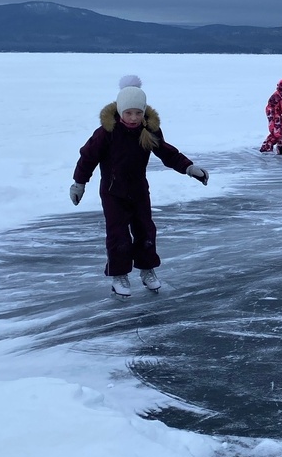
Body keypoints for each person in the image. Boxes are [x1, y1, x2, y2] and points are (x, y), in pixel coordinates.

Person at [70, 75, 210, 297]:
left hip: (138, 190)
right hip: (112, 191)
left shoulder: (148, 131)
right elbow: (88, 157)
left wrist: (189, 168)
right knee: (118, 235)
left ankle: (147, 271)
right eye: (128, 113)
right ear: (120, 111)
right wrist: (79, 183)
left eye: (138, 112)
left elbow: (167, 152)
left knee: (146, 230)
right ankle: (119, 275)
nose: (133, 117)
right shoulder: (107, 132)